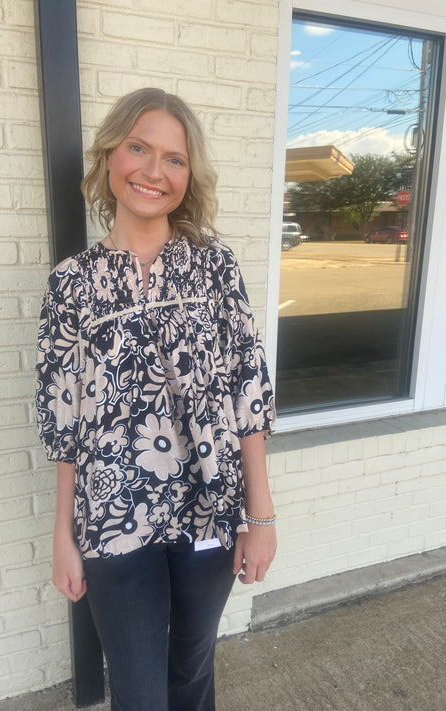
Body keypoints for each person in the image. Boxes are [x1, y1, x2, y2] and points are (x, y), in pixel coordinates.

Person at [35, 87, 277, 711]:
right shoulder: (71, 285)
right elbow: (65, 422)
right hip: (113, 520)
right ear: (110, 156)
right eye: (139, 148)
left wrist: (262, 519)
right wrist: (64, 532)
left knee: (192, 674)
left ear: (188, 175)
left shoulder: (216, 269)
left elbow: (247, 395)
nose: (153, 170)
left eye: (174, 158)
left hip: (209, 514)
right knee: (139, 693)